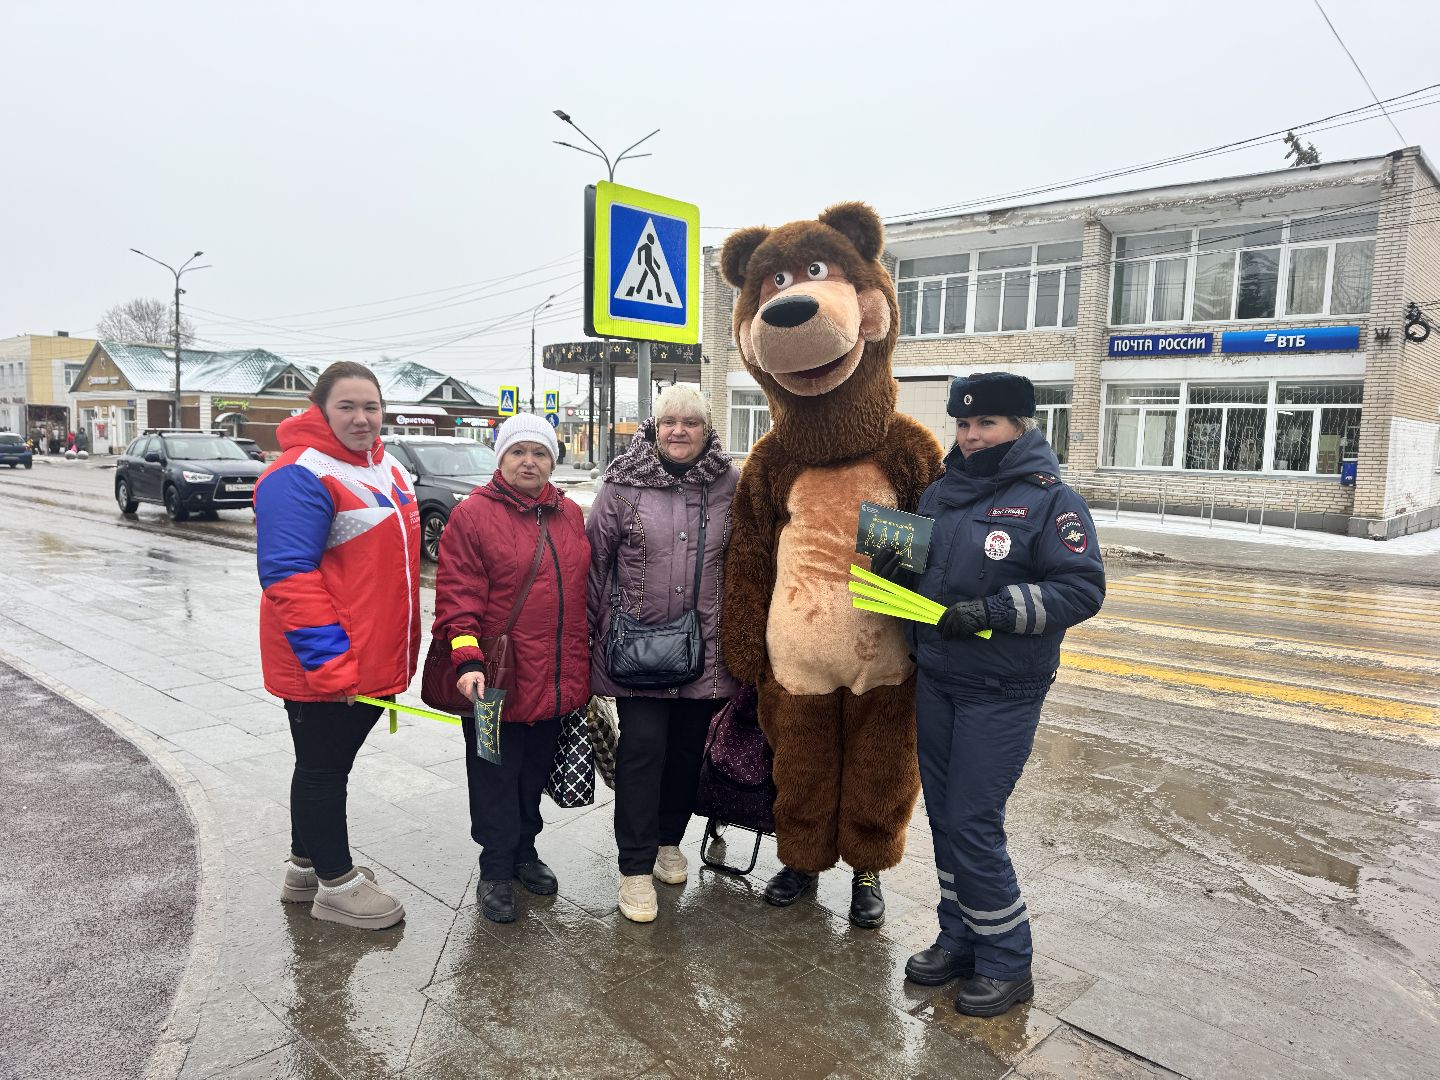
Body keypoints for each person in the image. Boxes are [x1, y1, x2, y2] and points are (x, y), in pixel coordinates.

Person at [873, 371, 1104, 1018]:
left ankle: (1008, 961)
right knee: (946, 821)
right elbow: (922, 572)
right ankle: (960, 939)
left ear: (1019, 427)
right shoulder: (942, 492)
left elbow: (1081, 591)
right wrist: (892, 564)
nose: (971, 436)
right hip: (940, 680)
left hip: (1001, 689)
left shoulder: (1052, 502)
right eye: (964, 424)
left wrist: (993, 610)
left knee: (974, 823)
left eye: (987, 424)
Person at [253, 361, 421, 931]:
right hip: (326, 663)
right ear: (319, 408)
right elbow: (287, 578)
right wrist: (331, 666)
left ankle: (304, 869)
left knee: (323, 764)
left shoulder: (385, 466)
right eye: (347, 406)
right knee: (324, 770)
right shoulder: (299, 474)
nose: (362, 418)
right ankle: (335, 881)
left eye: (370, 406)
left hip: (366, 659)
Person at [587, 385, 740, 923]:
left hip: (706, 652)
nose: (679, 431)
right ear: (652, 427)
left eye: (691, 423)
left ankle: (668, 841)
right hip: (637, 649)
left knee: (685, 755)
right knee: (643, 750)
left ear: (707, 429)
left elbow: (747, 561)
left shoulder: (729, 484)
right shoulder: (622, 484)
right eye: (668, 421)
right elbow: (594, 565)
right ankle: (633, 867)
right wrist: (591, 638)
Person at [432, 413, 591, 924]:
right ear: (500, 459)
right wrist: (467, 660)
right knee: (494, 776)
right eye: (518, 452)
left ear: (553, 460)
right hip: (494, 683)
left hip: (552, 679)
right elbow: (457, 598)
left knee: (532, 775)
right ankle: (496, 868)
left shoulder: (568, 513)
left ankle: (525, 852)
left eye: (540, 452)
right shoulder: (473, 516)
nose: (530, 461)